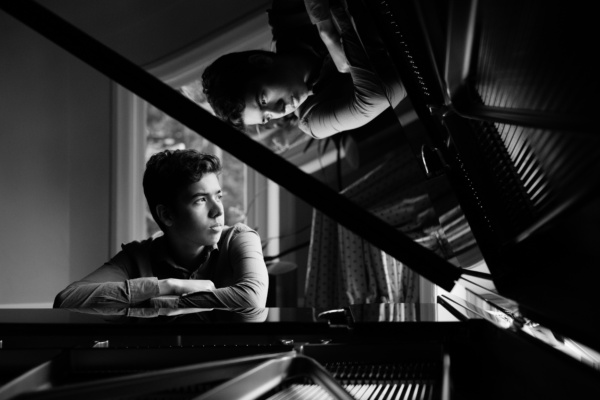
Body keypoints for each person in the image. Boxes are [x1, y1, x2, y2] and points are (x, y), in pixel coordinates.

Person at [53, 149, 269, 309]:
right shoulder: (137, 257)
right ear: (167, 215)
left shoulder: (240, 239)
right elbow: (67, 300)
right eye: (201, 200)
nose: (218, 211)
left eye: (218, 196)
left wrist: (159, 304)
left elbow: (251, 298)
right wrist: (169, 286)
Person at [201, 0, 405, 140]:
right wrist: (332, 26)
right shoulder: (314, 120)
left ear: (261, 61)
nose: (279, 110)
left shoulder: (287, 12)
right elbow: (379, 95)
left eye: (263, 100)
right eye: (267, 117)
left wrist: (327, 31)